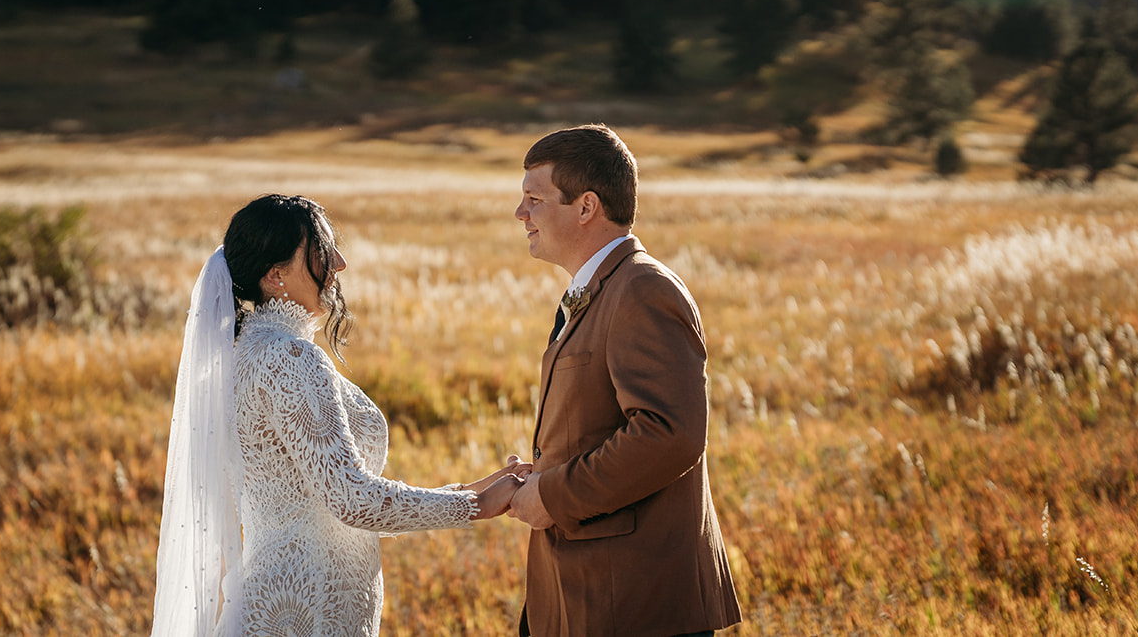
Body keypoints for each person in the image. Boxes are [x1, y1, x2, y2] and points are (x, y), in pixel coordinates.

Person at [151, 193, 527, 637]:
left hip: (300, 601)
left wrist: (474, 488)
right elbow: (353, 501)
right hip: (301, 611)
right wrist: (476, 506)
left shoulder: (249, 352)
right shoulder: (289, 359)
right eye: (321, 253)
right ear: (275, 275)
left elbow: (326, 506)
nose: (340, 263)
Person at [507, 125, 742, 637]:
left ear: (586, 206)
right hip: (585, 591)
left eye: (534, 198)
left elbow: (668, 434)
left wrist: (554, 495)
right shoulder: (597, 287)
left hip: (633, 601)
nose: (521, 214)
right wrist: (544, 473)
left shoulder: (642, 289)